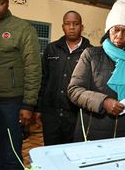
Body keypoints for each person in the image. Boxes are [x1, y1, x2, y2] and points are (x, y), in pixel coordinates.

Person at [68, 0, 125, 141]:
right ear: (109, 29)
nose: (119, 36)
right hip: (94, 132)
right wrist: (103, 101)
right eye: (116, 30)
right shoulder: (91, 55)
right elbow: (74, 90)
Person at [0, 0, 42, 169]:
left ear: (8, 2)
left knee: (11, 154)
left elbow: (33, 67)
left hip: (11, 104)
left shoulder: (23, 28)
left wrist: (28, 104)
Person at [37, 11, 92, 146]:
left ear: (82, 27)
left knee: (73, 153)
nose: (71, 27)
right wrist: (38, 108)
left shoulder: (91, 52)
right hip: (51, 114)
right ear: (63, 27)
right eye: (68, 24)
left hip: (76, 116)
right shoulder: (51, 49)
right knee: (51, 152)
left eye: (76, 24)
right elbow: (43, 79)